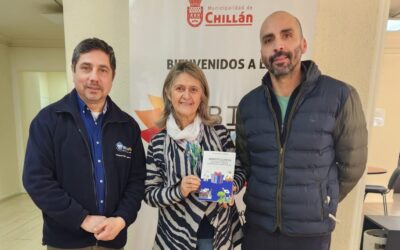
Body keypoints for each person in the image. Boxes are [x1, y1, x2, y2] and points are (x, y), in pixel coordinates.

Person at [235, 11, 368, 250]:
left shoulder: (339, 96)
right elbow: (247, 163)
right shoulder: (248, 105)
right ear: (262, 53)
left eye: (287, 35)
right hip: (258, 230)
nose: (278, 46)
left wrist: (320, 200)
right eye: (269, 40)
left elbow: (353, 165)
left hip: (311, 234)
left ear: (303, 44)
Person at [22, 38, 146, 249]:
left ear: (112, 76)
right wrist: (82, 219)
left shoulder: (128, 126)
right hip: (65, 242)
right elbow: (36, 180)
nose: (94, 77)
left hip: (112, 241)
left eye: (103, 70)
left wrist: (121, 220)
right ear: (74, 71)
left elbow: (136, 181)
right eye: (86, 68)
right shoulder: (48, 120)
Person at [144, 61, 244, 250]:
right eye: (180, 88)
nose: (186, 96)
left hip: (215, 235)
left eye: (194, 89)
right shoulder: (158, 143)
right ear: (168, 93)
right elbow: (149, 194)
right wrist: (178, 191)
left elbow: (239, 171)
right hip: (174, 238)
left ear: (202, 95)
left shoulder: (219, 133)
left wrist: (231, 187)